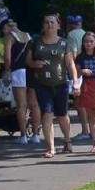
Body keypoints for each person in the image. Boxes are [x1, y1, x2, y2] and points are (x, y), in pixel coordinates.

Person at [24, 14, 77, 157]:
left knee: (62, 114)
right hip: (42, 84)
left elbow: (70, 63)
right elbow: (28, 60)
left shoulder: (64, 43)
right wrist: (34, 64)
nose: (49, 25)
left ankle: (67, 140)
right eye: (47, 22)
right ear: (43, 25)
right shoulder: (35, 42)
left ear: (58, 25)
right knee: (47, 113)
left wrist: (75, 81)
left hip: (61, 83)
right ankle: (51, 148)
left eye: (52, 22)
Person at [0, 17, 36, 143]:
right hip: (30, 71)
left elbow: (7, 58)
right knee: (34, 104)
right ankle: (35, 135)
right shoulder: (28, 36)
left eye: (3, 28)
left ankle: (23, 135)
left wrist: (6, 70)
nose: (3, 31)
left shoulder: (10, 37)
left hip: (18, 71)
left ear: (8, 27)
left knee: (21, 105)